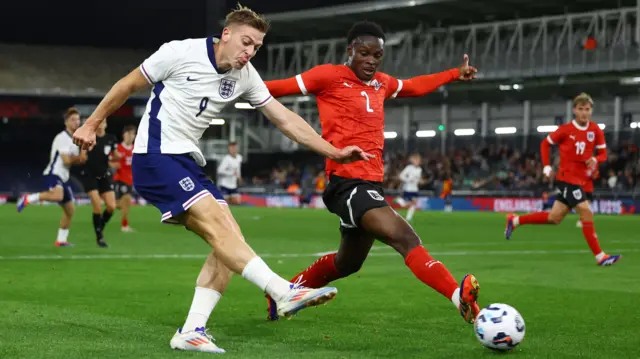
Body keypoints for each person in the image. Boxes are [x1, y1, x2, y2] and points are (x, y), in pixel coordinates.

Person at [71, 5, 373, 353]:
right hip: (155, 156)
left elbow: (285, 119)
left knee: (229, 240)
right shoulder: (179, 52)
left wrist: (332, 151)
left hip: (186, 161)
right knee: (219, 226)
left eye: (256, 47)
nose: (249, 53)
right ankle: (282, 291)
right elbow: (127, 84)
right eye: (246, 43)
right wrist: (92, 124)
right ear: (225, 35)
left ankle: (192, 329)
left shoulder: (245, 75)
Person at [263, 21, 481, 324]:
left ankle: (281, 293)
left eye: (377, 55)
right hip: (346, 182)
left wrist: (454, 74)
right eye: (364, 53)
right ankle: (458, 296)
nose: (370, 61)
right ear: (350, 50)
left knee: (347, 263)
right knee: (404, 237)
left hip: (369, 183)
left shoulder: (381, 83)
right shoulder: (328, 76)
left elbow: (415, 86)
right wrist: (232, 85)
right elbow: (275, 88)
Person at [504, 93, 621, 266]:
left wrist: (596, 159)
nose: (584, 113)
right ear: (574, 110)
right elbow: (545, 143)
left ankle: (515, 220)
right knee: (586, 211)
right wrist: (546, 166)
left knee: (554, 218)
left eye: (587, 109)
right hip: (566, 179)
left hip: (581, 181)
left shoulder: (595, 130)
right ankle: (600, 256)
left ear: (591, 111)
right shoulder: (566, 130)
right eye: (580, 109)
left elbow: (603, 153)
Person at [17, 107, 87, 247]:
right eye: (73, 120)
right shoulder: (62, 138)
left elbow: (79, 159)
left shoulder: (75, 140)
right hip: (54, 173)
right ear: (66, 122)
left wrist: (81, 154)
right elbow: (67, 160)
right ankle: (28, 198)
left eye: (78, 120)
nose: (76, 122)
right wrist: (80, 157)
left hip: (64, 177)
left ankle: (61, 241)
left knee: (70, 210)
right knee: (57, 196)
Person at [78, 120, 119, 248]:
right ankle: (99, 237)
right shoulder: (89, 137)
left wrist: (114, 160)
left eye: (103, 122)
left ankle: (99, 226)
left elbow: (116, 156)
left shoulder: (111, 139)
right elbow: (82, 156)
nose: (101, 124)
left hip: (104, 175)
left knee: (112, 206)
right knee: (97, 205)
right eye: (99, 122)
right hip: (90, 175)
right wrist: (83, 154)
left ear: (106, 124)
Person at [113, 125, 136, 232]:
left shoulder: (136, 149)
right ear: (123, 135)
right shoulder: (118, 148)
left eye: (132, 134)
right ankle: (124, 225)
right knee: (126, 200)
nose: (130, 136)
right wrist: (113, 165)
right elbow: (109, 160)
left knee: (124, 203)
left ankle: (124, 225)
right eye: (128, 134)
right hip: (119, 179)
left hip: (130, 180)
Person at [394, 153, 423, 222]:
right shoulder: (409, 168)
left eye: (418, 160)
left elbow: (418, 179)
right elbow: (401, 176)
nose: (417, 162)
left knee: (414, 203)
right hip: (408, 188)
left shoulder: (419, 169)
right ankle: (399, 200)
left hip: (415, 188)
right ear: (413, 161)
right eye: (416, 160)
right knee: (409, 204)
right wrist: (408, 180)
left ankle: (409, 218)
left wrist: (420, 181)